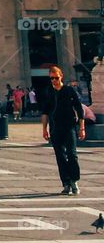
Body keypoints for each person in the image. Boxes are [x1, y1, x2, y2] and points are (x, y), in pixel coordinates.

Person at [42, 65, 85, 195]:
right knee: (60, 156)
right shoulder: (49, 92)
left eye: (56, 77)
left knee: (72, 155)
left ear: (61, 76)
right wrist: (44, 129)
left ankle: (74, 180)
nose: (53, 80)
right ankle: (66, 183)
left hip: (69, 127)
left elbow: (79, 109)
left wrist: (82, 128)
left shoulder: (69, 90)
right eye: (51, 78)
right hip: (55, 128)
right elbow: (45, 112)